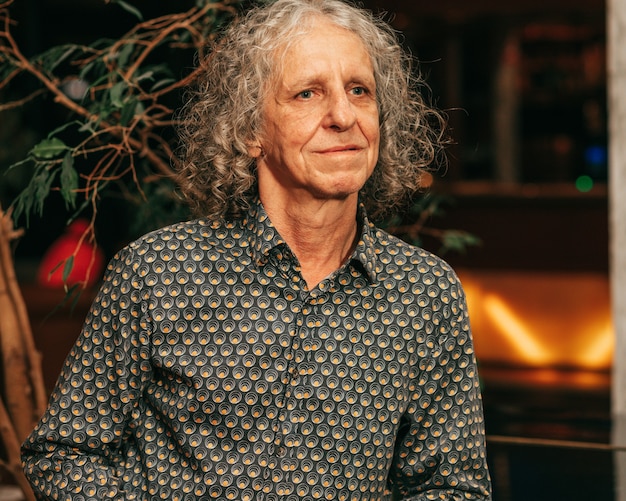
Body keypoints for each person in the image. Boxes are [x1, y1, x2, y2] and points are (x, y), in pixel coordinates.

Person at [21, 0, 492, 499]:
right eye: (307, 93)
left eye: (360, 91)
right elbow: (66, 453)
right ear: (249, 131)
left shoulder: (425, 294)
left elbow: (450, 486)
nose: (342, 115)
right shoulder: (158, 273)